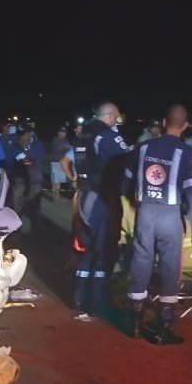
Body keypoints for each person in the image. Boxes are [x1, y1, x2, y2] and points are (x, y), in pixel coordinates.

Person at [124, 104, 192, 345]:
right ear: (186, 126)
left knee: (141, 261)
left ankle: (135, 322)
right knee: (170, 266)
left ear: (163, 121)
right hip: (170, 216)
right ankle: (162, 328)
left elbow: (126, 180)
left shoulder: (143, 147)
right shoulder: (188, 152)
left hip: (145, 212)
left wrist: (135, 204)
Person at [71, 102, 131, 320]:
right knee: (104, 250)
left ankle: (79, 297)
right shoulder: (106, 136)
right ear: (112, 115)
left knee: (87, 250)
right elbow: (126, 160)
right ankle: (97, 302)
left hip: (84, 196)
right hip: (101, 198)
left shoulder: (83, 134)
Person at [6, 126, 45, 227]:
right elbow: (10, 160)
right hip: (19, 181)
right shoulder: (15, 146)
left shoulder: (37, 145)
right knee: (17, 206)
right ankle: (17, 227)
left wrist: (23, 156)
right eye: (22, 134)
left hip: (34, 181)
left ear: (31, 134)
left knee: (35, 208)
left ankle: (36, 232)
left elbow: (34, 161)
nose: (24, 136)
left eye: (26, 134)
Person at [48, 126, 70, 199]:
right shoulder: (55, 140)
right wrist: (66, 147)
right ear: (58, 132)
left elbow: (68, 150)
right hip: (55, 163)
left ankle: (56, 195)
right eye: (61, 132)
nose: (62, 133)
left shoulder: (66, 141)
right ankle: (55, 196)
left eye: (64, 132)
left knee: (59, 180)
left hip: (62, 163)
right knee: (55, 180)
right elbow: (58, 148)